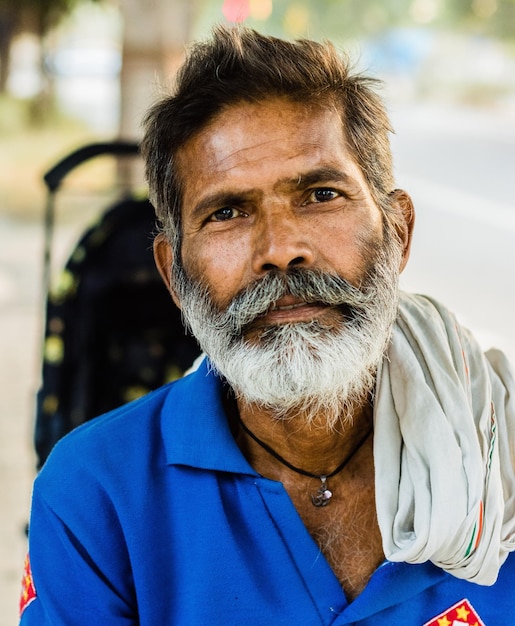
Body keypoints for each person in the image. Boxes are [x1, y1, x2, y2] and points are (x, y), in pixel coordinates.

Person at [20, 26, 515, 625]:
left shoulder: (499, 450)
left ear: (398, 232)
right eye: (227, 212)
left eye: (321, 195)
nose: (281, 249)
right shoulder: (95, 493)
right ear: (175, 277)